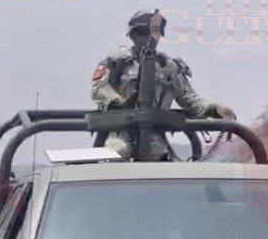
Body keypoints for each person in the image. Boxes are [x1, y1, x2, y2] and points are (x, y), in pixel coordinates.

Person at [91, 9, 237, 161]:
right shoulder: (116, 61)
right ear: (133, 35)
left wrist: (214, 108)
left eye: (153, 33)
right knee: (115, 156)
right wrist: (117, 100)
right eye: (142, 32)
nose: (148, 37)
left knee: (166, 167)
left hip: (155, 132)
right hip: (121, 130)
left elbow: (188, 97)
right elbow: (99, 88)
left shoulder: (167, 66)